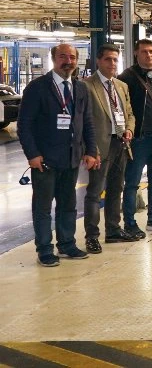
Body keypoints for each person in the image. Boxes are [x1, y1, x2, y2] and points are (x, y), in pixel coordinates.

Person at [18, 43, 97, 266]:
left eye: (72, 57)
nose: (68, 61)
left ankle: (67, 244)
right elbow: (24, 125)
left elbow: (87, 122)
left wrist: (91, 150)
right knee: (43, 208)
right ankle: (44, 249)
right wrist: (33, 154)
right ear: (53, 59)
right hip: (45, 160)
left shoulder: (80, 88)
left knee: (68, 205)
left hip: (71, 158)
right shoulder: (37, 87)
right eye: (63, 57)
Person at [82, 44, 137, 254]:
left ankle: (113, 230)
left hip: (120, 143)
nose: (112, 63)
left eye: (115, 59)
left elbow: (129, 113)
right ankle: (92, 236)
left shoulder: (121, 86)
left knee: (116, 189)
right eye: (108, 59)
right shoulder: (87, 86)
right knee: (94, 193)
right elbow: (83, 121)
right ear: (98, 61)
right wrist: (90, 149)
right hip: (99, 146)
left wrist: (129, 129)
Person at [119, 39, 152, 238]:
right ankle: (130, 223)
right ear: (136, 53)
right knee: (132, 182)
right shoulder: (127, 78)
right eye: (144, 52)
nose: (149, 55)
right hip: (139, 138)